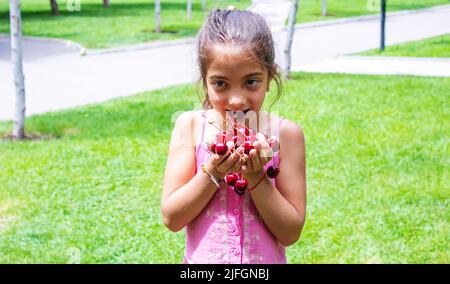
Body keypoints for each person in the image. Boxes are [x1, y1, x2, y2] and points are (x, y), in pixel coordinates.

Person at [161, 7, 306, 264]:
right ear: (205, 80)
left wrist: (256, 176)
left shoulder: (286, 135)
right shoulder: (190, 127)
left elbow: (290, 231)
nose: (237, 101)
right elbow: (172, 219)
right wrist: (213, 173)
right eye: (220, 84)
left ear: (269, 77)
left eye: (251, 82)